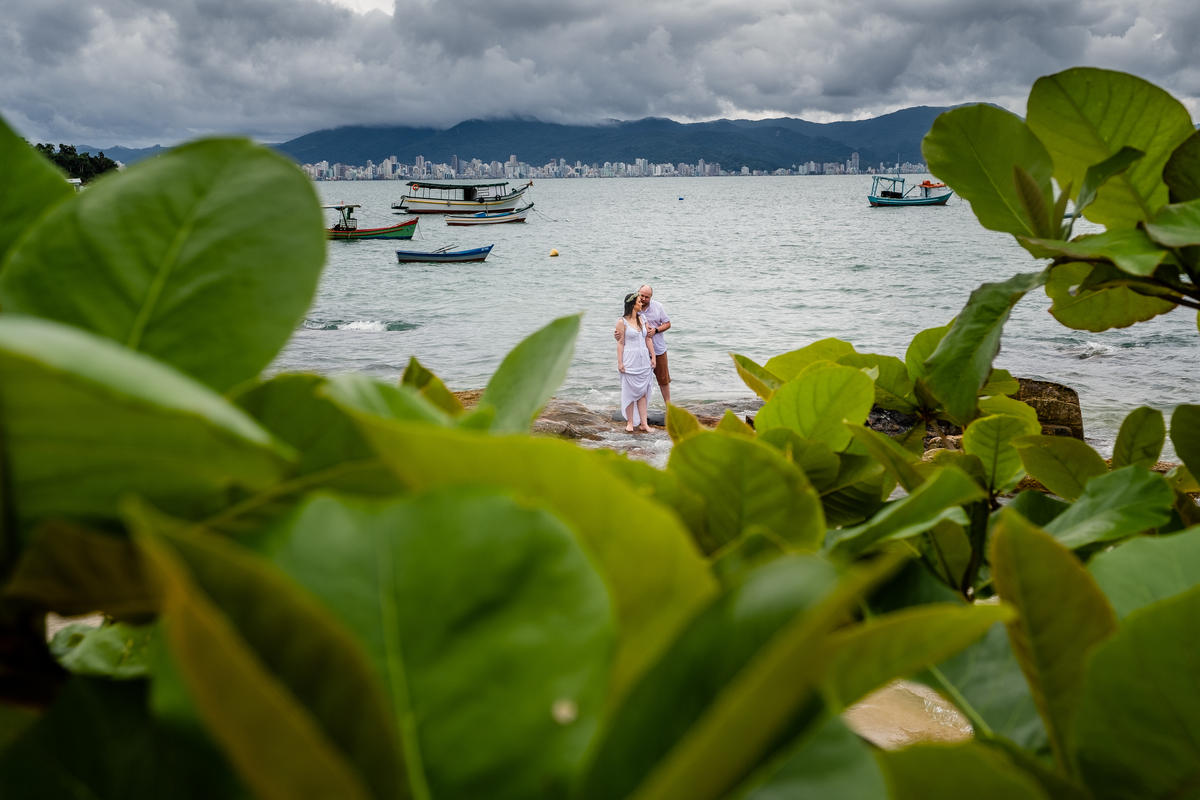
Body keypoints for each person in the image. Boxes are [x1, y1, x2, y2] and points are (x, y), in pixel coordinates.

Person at [616, 284, 673, 406]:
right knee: (640, 381)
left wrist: (656, 330)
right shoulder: (630, 308)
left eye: (647, 297)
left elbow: (668, 324)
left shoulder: (658, 307)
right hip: (638, 352)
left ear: (651, 297)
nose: (643, 299)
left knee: (663, 380)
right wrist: (617, 335)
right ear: (638, 293)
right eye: (642, 295)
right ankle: (639, 410)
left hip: (657, 349)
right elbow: (623, 327)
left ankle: (669, 407)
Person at [616, 291, 656, 433]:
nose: (641, 303)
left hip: (643, 360)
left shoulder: (643, 319)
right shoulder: (622, 322)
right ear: (632, 305)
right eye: (639, 301)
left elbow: (648, 339)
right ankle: (630, 423)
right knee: (629, 391)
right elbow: (620, 343)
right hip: (629, 360)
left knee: (642, 392)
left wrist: (653, 357)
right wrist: (620, 362)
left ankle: (644, 424)